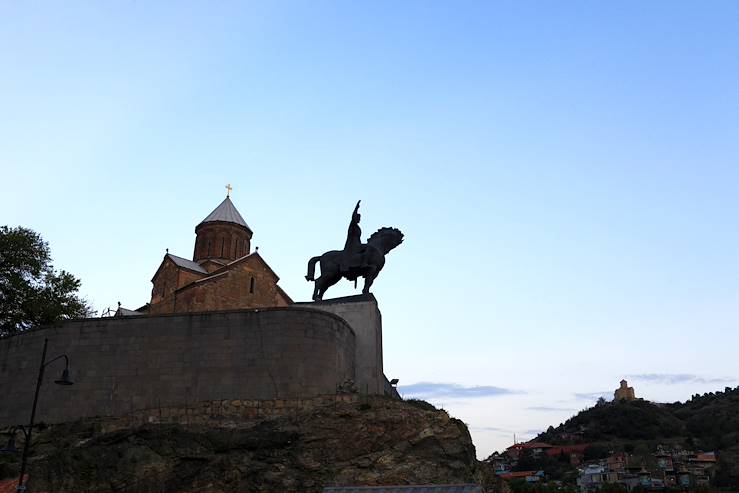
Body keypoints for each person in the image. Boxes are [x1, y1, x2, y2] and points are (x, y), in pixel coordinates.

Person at [341, 201, 364, 273]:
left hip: (357, 242)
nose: (359, 219)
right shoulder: (353, 224)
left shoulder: (358, 227)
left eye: (359, 218)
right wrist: (356, 208)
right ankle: (364, 264)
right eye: (358, 218)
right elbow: (353, 217)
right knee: (368, 248)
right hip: (352, 244)